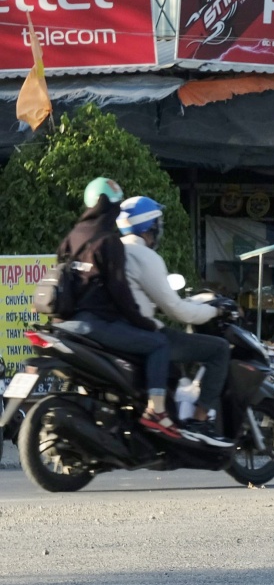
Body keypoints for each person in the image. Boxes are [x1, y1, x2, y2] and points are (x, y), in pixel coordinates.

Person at [55, 178, 175, 437]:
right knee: (158, 344)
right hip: (98, 325)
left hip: (67, 325)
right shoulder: (109, 242)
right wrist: (146, 324)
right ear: (111, 207)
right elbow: (120, 292)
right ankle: (156, 411)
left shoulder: (73, 236)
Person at [116, 196, 233, 447]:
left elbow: (134, 296)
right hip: (143, 334)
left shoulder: (113, 250)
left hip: (116, 331)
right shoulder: (145, 256)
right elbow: (179, 311)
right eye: (157, 224)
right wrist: (215, 313)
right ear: (149, 227)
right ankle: (200, 421)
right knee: (219, 349)